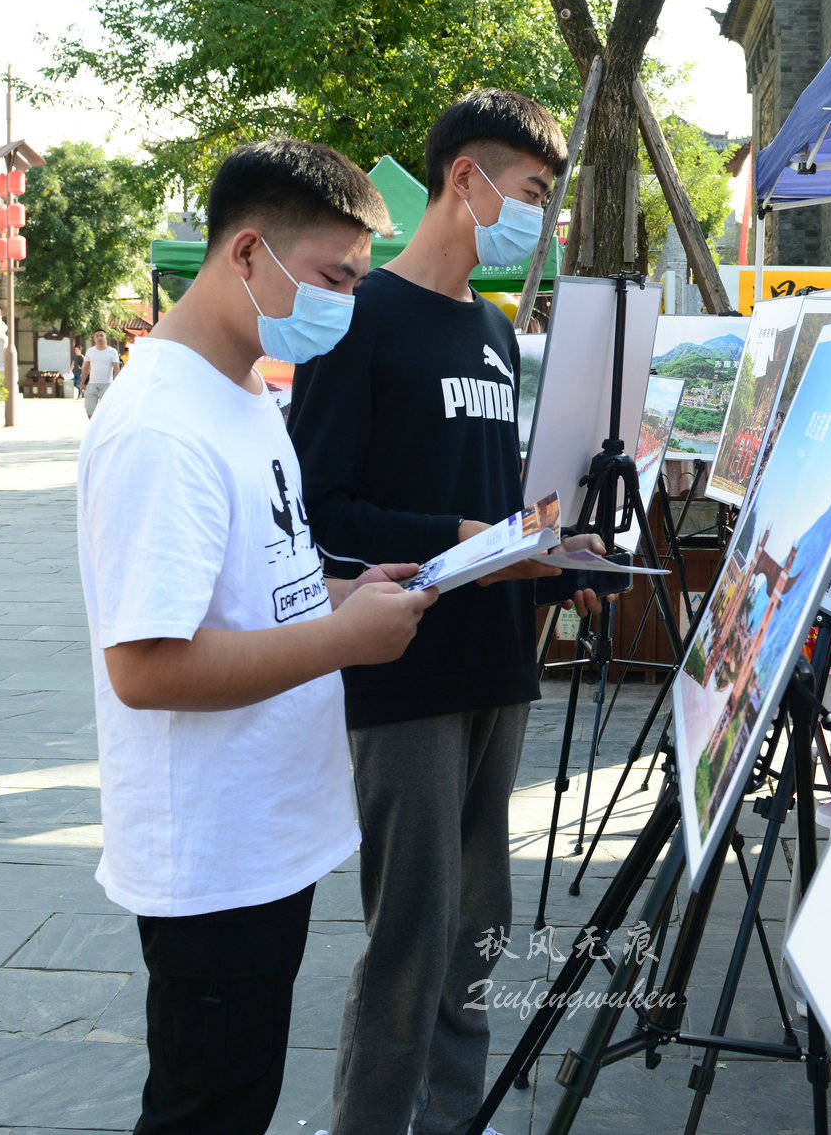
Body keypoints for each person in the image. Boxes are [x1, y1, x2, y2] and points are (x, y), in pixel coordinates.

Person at [79, 138, 436, 1134]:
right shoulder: (161, 424)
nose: (345, 304)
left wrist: (339, 586)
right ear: (245, 253)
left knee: (237, 1090)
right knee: (208, 1106)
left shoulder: (243, 388)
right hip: (210, 844)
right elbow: (146, 666)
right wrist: (342, 640)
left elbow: (256, 574)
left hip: (262, 821)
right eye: (331, 277)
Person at [289, 89, 599, 1135]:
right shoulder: (357, 318)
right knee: (411, 936)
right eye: (530, 191)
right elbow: (322, 512)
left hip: (496, 662)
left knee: (477, 929)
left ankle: (453, 1116)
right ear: (462, 179)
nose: (539, 218)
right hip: (404, 665)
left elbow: (490, 498)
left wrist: (550, 551)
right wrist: (466, 539)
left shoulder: (495, 333)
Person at [82, 329, 121, 417]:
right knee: (89, 410)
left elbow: (116, 369)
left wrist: (116, 384)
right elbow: (85, 368)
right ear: (94, 339)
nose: (99, 338)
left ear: (105, 337)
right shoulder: (90, 351)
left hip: (107, 385)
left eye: (101, 335)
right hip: (92, 384)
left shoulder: (112, 351)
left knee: (107, 411)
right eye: (97, 336)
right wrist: (82, 383)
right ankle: (94, 428)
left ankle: (104, 428)